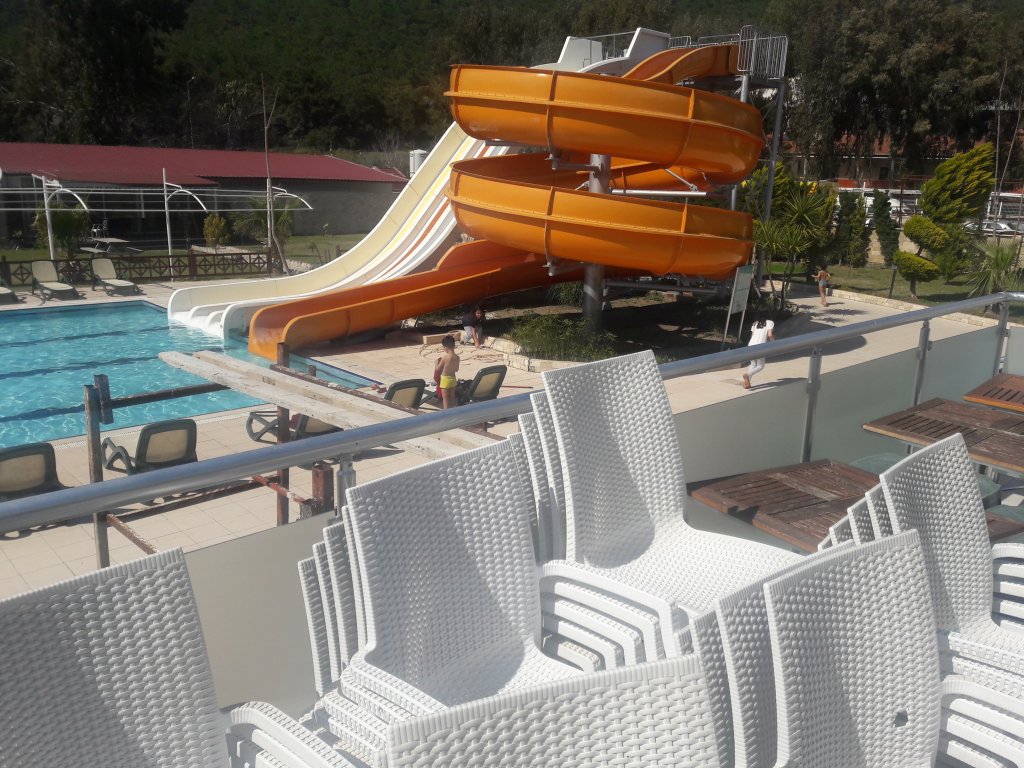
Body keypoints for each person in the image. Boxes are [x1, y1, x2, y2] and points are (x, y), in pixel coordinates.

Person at [742, 311, 775, 390]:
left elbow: (752, 335)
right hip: (760, 346)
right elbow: (770, 335)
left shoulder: (755, 323)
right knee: (760, 366)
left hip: (751, 345)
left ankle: (747, 383)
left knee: (753, 364)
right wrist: (774, 343)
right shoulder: (770, 322)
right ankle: (748, 375)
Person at [434, 335, 460, 409]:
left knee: (445, 399)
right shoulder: (457, 357)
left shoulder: (445, 358)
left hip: (445, 380)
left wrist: (436, 363)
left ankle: (446, 412)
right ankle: (454, 410)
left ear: (445, 348)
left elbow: (438, 369)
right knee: (452, 397)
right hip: (453, 379)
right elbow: (456, 369)